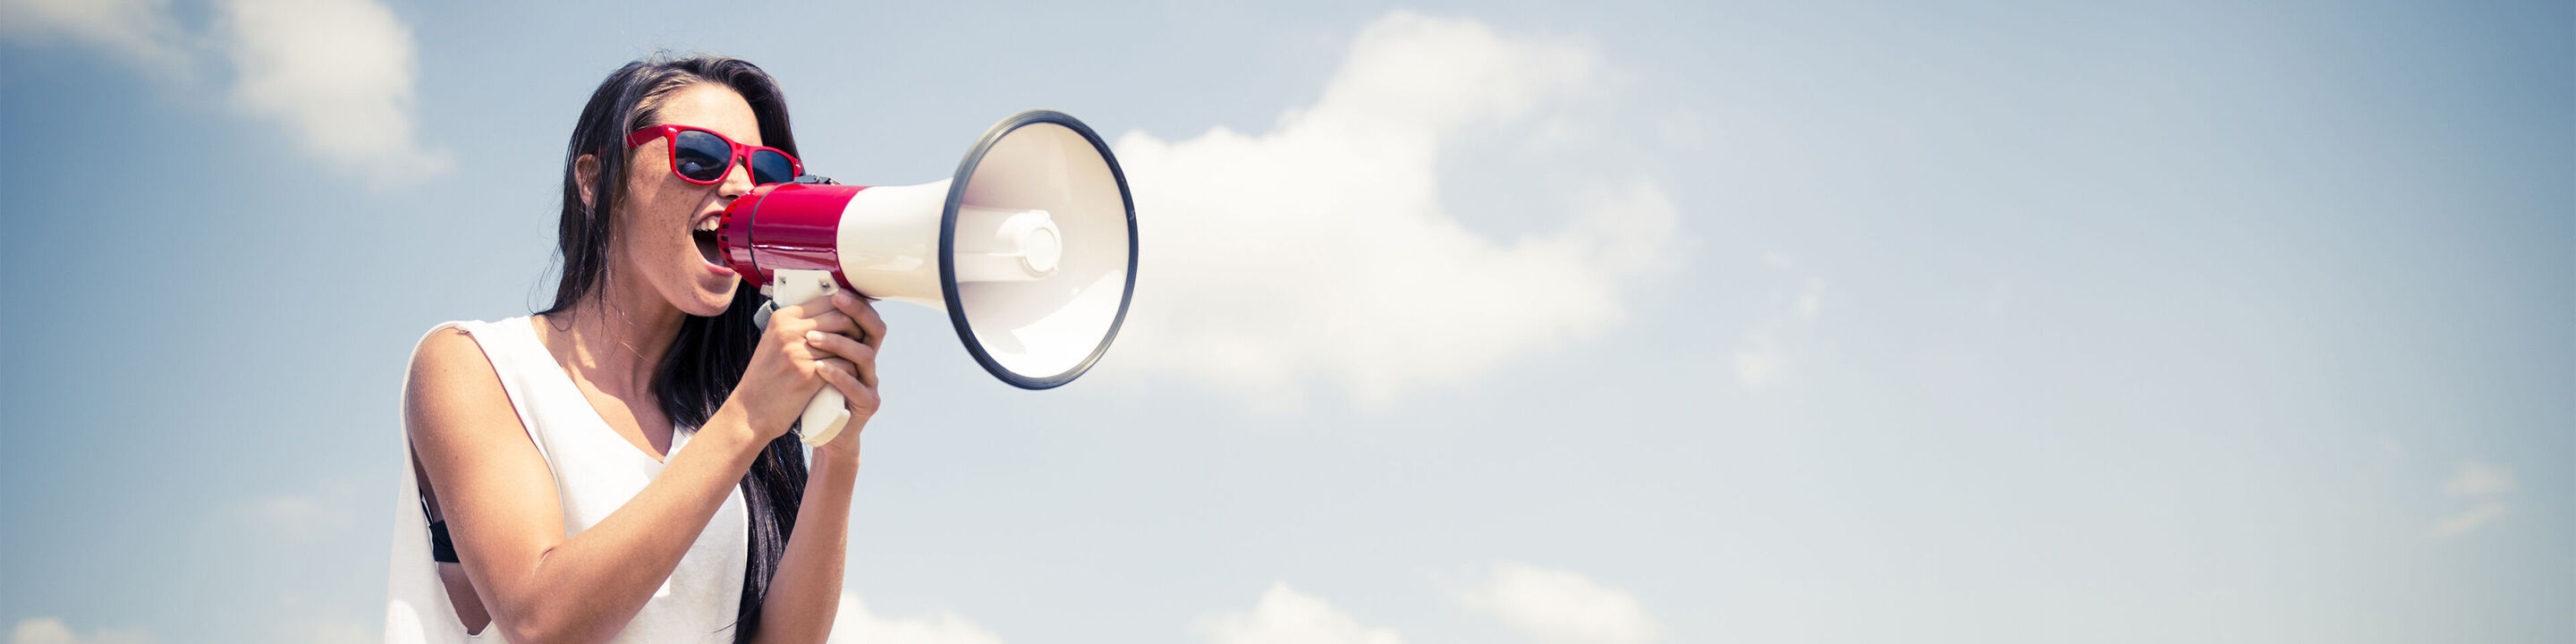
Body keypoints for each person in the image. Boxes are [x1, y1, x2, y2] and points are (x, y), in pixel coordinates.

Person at [384, 55, 884, 644]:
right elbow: (540, 622)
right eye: (700, 155)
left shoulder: (719, 419)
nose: (744, 187)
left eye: (766, 170)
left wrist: (838, 451)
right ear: (596, 182)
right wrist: (748, 418)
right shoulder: (474, 365)